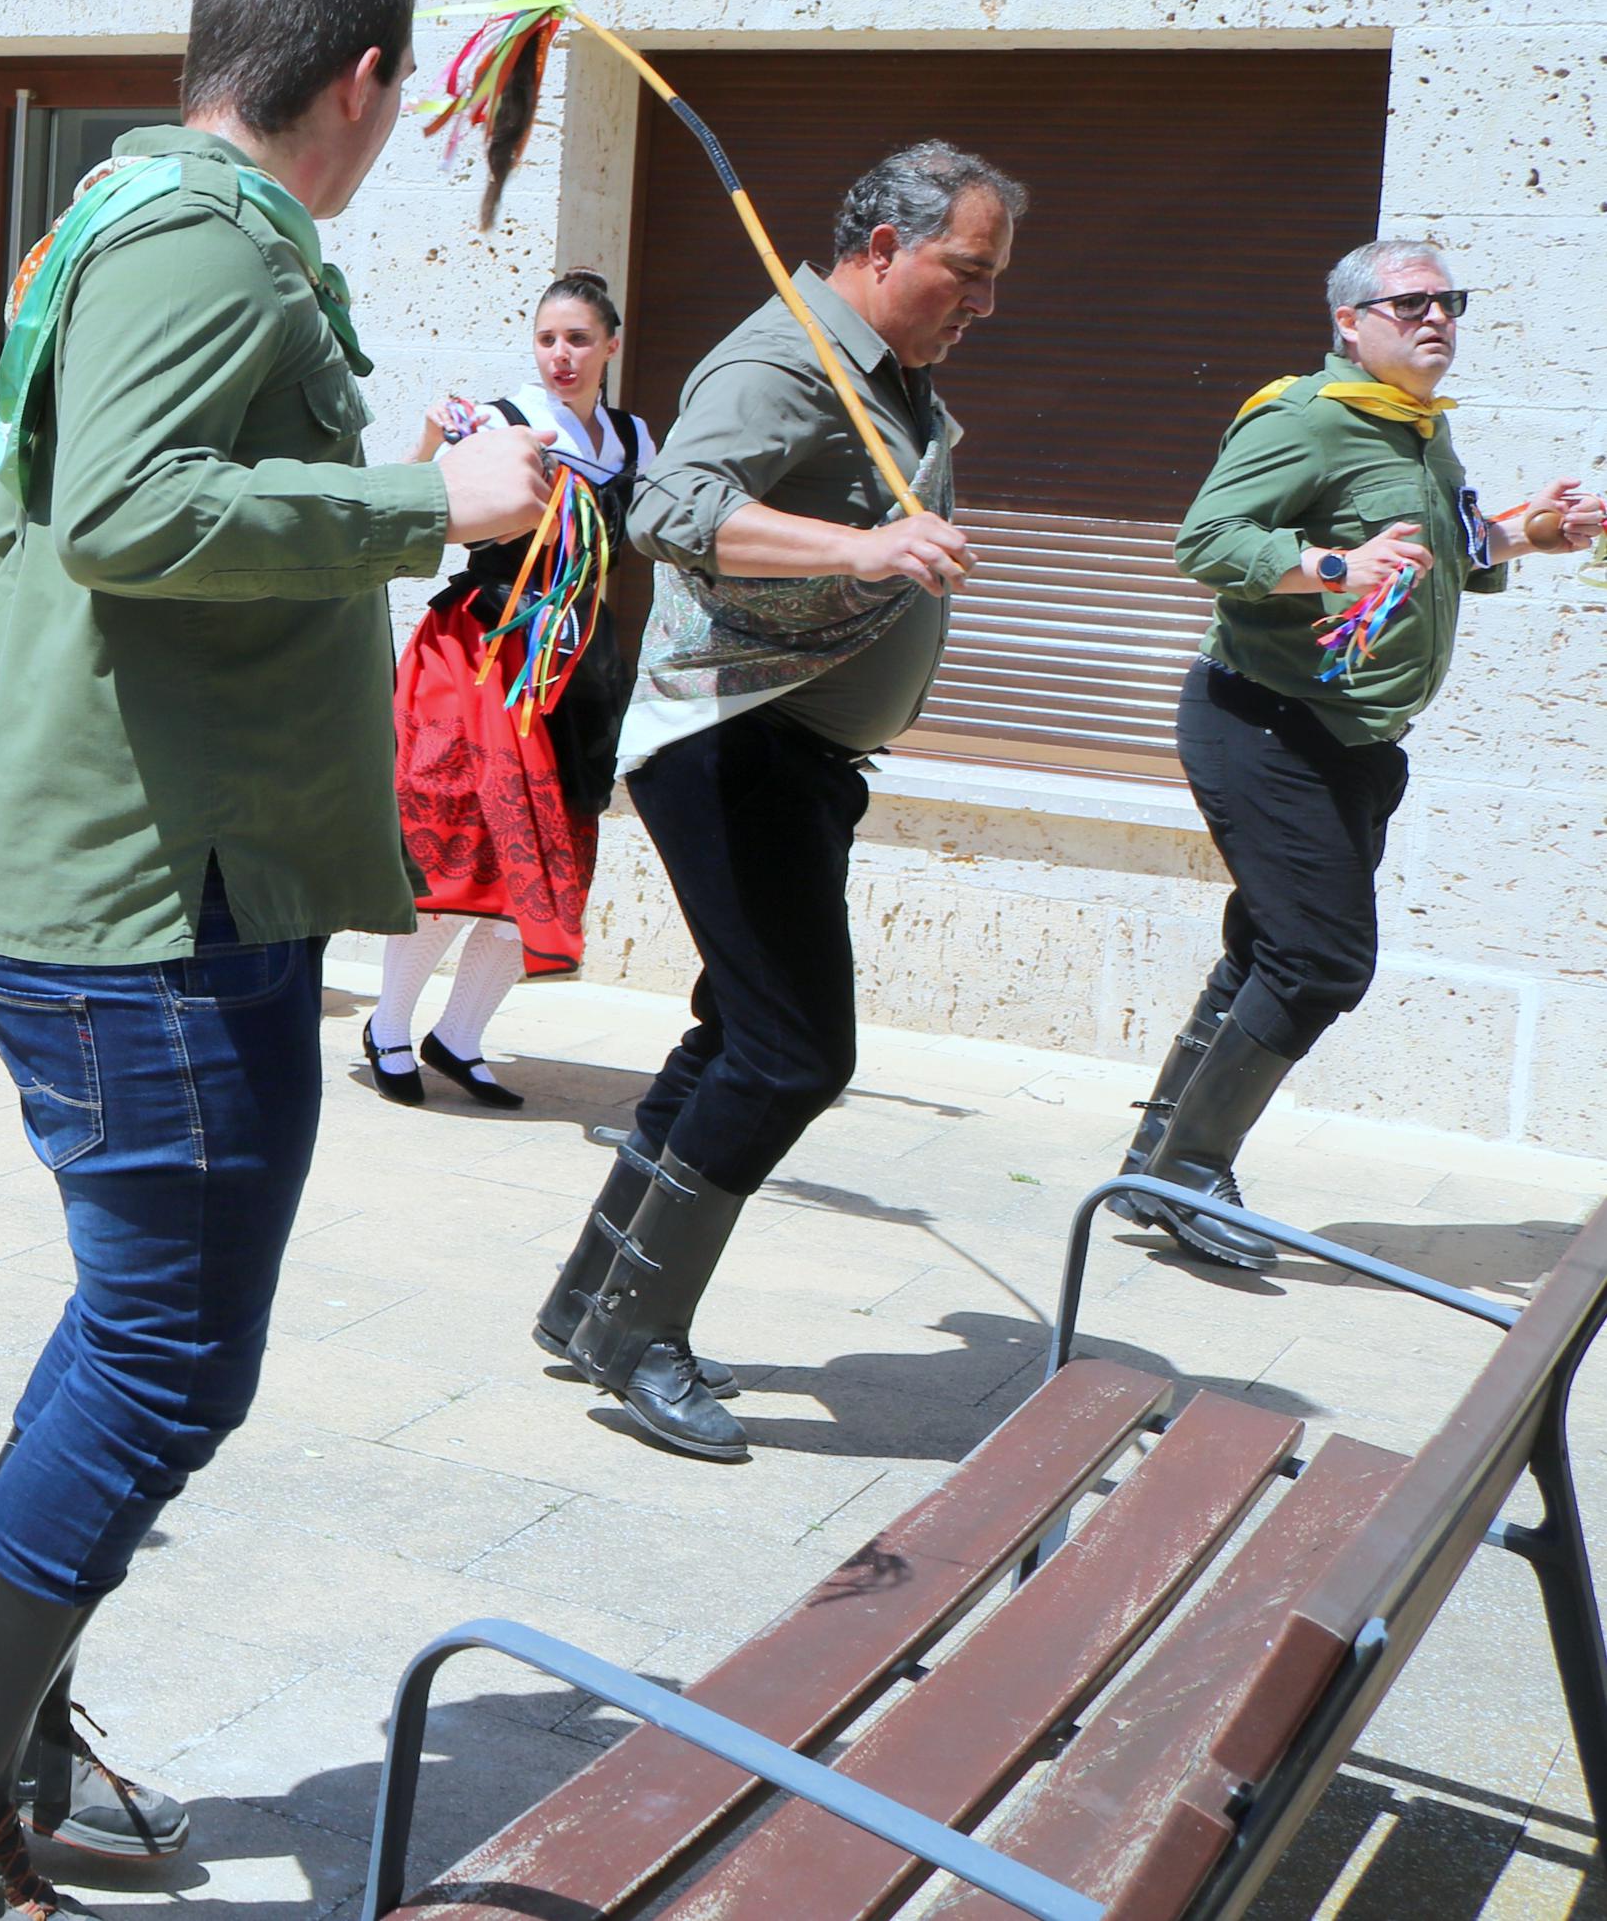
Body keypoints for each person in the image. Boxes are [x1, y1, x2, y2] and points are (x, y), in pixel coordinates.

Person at [0, 0, 549, 1917]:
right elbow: (134, 513)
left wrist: (362, 458)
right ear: (368, 80)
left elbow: (138, 478)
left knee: (127, 1333)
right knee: (165, 1362)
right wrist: (426, 508)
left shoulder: (140, 216)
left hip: (171, 872)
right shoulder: (197, 236)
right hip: (145, 896)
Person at [532, 141, 1015, 1465]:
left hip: (788, 753)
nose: (980, 300)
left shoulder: (890, 372)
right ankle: (634, 1330)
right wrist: (862, 545)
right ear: (877, 248)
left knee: (735, 1026)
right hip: (728, 739)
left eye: (990, 279)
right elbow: (670, 506)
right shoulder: (784, 356)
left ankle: (592, 1299)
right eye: (962, 272)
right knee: (793, 1050)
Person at [1112, 242, 1597, 1266]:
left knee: (1266, 947)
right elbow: (1204, 541)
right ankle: (1190, 1170)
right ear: (1347, 322)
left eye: (1447, 301)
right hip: (1259, 722)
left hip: (1355, 744)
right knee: (1320, 960)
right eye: (1409, 302)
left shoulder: (1418, 435)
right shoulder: (1302, 416)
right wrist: (1330, 563)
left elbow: (1438, 546)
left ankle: (1153, 1157)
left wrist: (1528, 533)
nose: (1435, 318)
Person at [366, 272, 661, 1108]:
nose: (560, 354)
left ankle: (457, 1037)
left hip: (576, 664)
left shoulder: (637, 439)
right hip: (482, 650)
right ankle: (387, 1026)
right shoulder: (497, 422)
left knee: (539, 853)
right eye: (546, 338)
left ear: (609, 344)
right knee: (459, 845)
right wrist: (429, 440)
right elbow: (407, 511)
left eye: (577, 338)